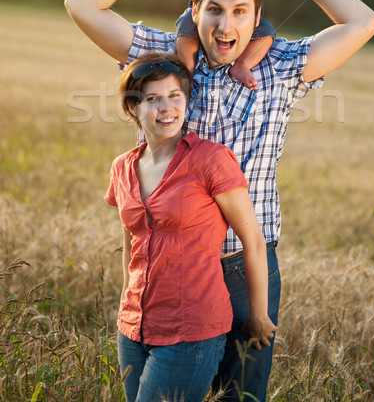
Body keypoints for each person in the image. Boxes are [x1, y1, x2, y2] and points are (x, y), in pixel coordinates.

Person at [64, 0, 374, 401]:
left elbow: (363, 22)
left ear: (258, 19)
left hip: (243, 267)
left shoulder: (280, 67)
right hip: (171, 264)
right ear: (194, 13)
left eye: (239, 12)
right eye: (213, 9)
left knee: (240, 395)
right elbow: (82, 5)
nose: (224, 25)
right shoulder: (167, 59)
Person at [105, 51, 275, 402]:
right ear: (132, 108)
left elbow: (254, 242)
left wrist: (259, 314)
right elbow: (131, 242)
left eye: (174, 96)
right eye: (152, 99)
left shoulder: (210, 160)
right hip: (133, 327)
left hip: (190, 330)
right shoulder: (122, 167)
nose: (166, 107)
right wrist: (126, 300)